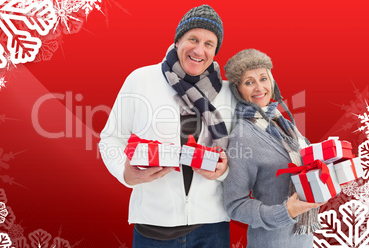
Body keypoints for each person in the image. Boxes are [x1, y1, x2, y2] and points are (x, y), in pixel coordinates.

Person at [99, 4, 235, 248]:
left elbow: (241, 155)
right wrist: (125, 173)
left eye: (209, 44)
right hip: (153, 226)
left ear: (215, 51)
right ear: (177, 41)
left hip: (212, 228)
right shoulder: (140, 80)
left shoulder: (227, 92)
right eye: (192, 39)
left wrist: (223, 172)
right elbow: (111, 138)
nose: (199, 49)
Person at [223, 49, 326, 248]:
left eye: (263, 78)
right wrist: (286, 212)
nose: (259, 87)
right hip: (271, 242)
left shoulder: (283, 123)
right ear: (238, 90)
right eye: (249, 82)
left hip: (303, 239)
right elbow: (235, 206)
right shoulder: (243, 136)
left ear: (272, 81)